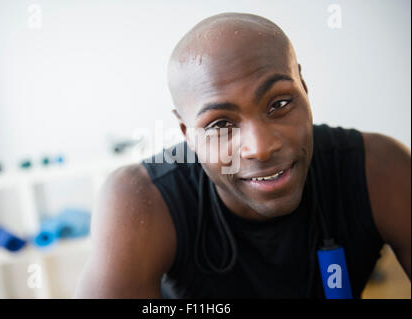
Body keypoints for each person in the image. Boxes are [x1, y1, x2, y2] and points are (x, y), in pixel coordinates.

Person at [74, 13, 410, 298]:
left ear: (304, 90)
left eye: (279, 104)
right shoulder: (141, 199)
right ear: (187, 134)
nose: (260, 147)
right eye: (220, 124)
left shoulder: (379, 170)